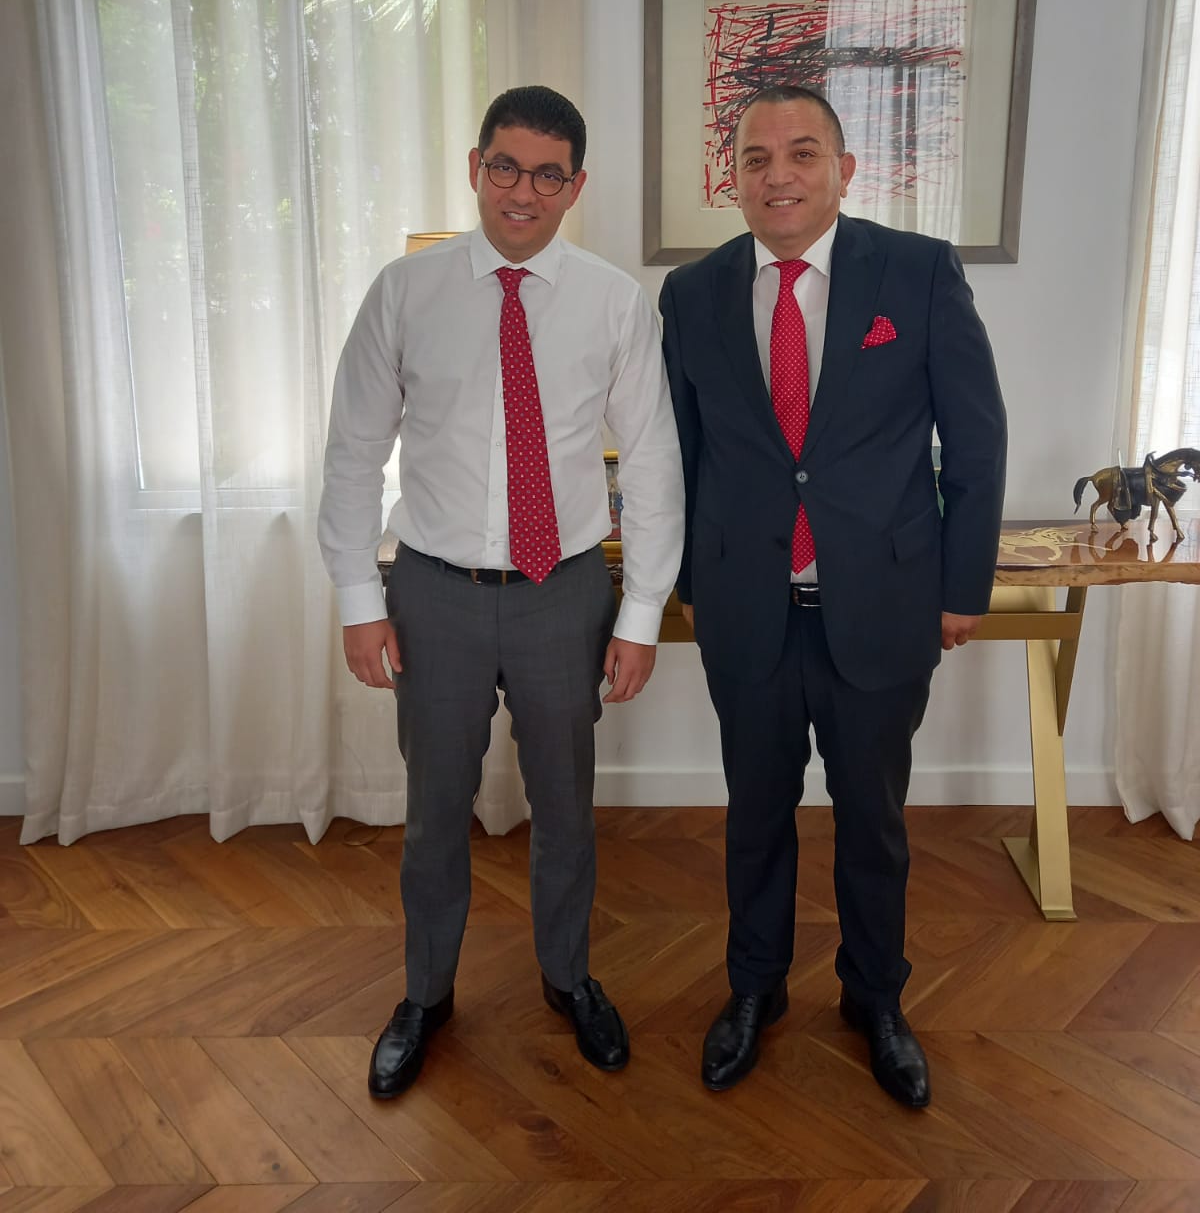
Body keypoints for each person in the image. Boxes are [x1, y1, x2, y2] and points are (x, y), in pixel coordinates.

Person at [319, 85, 683, 1098]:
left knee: (565, 804)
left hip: (564, 593)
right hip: (431, 590)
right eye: (506, 167)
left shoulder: (613, 301)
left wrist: (642, 613)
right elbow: (353, 451)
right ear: (477, 167)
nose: (524, 191)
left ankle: (569, 977)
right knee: (435, 810)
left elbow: (653, 461)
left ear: (576, 185)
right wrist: (357, 596)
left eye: (547, 174)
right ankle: (426, 995)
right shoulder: (406, 291)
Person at [659, 84, 1006, 1107]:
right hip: (747, 611)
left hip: (884, 606)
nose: (780, 175)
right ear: (732, 179)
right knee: (755, 814)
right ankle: (754, 989)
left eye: (803, 153)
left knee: (874, 819)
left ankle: (876, 997)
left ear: (844, 170)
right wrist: (691, 586)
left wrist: (962, 586)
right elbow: (681, 454)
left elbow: (975, 439)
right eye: (757, 158)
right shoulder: (692, 294)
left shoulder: (919, 271)